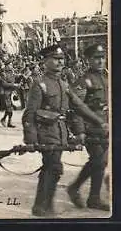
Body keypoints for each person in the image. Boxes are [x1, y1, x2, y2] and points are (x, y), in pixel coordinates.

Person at [22, 45, 106, 217]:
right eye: (55, 59)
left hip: (60, 132)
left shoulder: (63, 84)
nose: (60, 62)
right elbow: (29, 114)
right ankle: (42, 206)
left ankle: (44, 206)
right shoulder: (40, 84)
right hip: (45, 131)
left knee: (53, 167)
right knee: (53, 166)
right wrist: (30, 138)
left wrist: (99, 121)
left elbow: (79, 107)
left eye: (61, 59)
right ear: (45, 61)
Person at [67, 44, 110, 211]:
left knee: (101, 162)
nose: (100, 61)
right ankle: (79, 190)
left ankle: (92, 197)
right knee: (98, 160)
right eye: (96, 58)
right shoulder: (83, 81)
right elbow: (76, 109)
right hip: (90, 128)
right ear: (88, 60)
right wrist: (80, 131)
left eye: (102, 57)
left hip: (104, 128)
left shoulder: (106, 78)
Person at [0, 61, 19, 128]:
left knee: (10, 108)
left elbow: (14, 80)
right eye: (10, 65)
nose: (11, 66)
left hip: (11, 92)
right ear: (6, 66)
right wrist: (13, 85)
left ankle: (5, 120)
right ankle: (6, 121)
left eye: (11, 65)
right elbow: (4, 84)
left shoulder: (12, 73)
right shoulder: (3, 74)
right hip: (5, 93)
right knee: (9, 108)